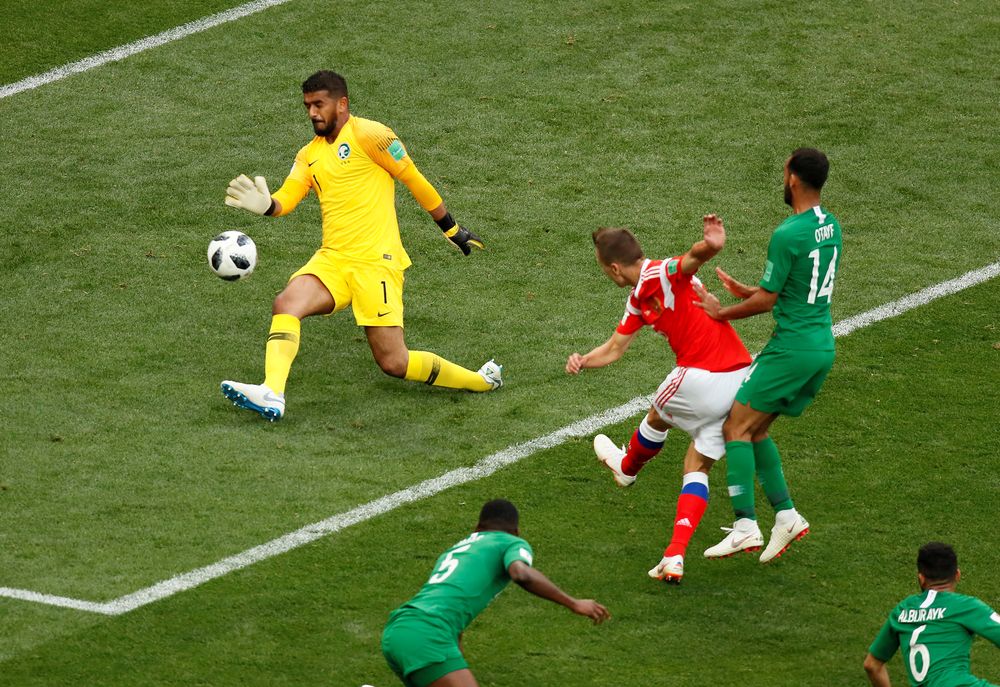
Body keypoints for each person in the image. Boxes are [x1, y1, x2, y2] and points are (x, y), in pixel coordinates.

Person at [221, 70, 501, 421]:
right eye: (307, 106)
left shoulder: (372, 135)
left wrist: (452, 229)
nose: (312, 113)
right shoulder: (308, 155)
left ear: (342, 104)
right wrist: (267, 205)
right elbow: (287, 197)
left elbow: (414, 179)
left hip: (375, 262)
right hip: (333, 260)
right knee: (286, 303)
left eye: (319, 104)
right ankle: (272, 392)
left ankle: (481, 381)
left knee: (394, 362)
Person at [565, 217, 752, 583]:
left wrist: (711, 244)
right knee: (696, 464)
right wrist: (584, 360)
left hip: (702, 374)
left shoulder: (658, 273)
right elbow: (615, 348)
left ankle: (627, 468)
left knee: (656, 412)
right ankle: (674, 555)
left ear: (614, 268)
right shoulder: (639, 298)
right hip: (739, 379)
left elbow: (691, 259)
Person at [694, 148, 841, 563]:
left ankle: (745, 526)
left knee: (735, 427)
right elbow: (797, 287)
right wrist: (751, 291)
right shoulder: (830, 225)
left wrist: (722, 311)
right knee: (756, 430)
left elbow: (769, 301)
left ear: (793, 178)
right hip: (819, 345)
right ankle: (787, 517)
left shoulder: (788, 233)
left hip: (791, 348)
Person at [381, 499, 609, 687]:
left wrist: (456, 662)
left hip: (398, 630)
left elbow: (453, 608)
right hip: (428, 634)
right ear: (516, 531)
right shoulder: (509, 542)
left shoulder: (457, 550)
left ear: (477, 527)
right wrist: (573, 603)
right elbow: (521, 573)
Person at [864, 542, 1000, 686]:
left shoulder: (902, 611)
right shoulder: (965, 606)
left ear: (921, 578)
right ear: (957, 575)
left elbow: (872, 665)